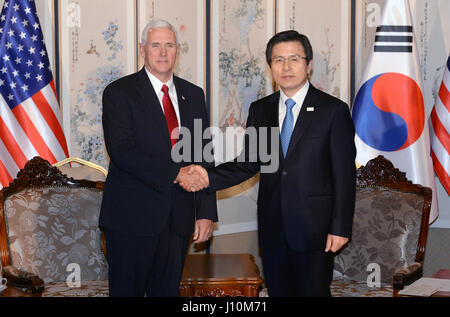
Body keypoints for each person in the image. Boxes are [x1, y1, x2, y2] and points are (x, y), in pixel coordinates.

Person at [178, 30, 356, 296]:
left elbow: (344, 175)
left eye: (294, 59)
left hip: (315, 229)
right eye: (278, 60)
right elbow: (249, 163)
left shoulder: (333, 110)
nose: (286, 67)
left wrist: (340, 227)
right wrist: (206, 175)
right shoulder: (261, 110)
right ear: (270, 66)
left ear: (308, 65)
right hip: (273, 227)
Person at [99, 19, 217, 297]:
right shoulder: (119, 93)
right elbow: (122, 151)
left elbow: (204, 156)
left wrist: (206, 213)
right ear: (142, 49)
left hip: (178, 219)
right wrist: (176, 173)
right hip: (131, 220)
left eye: (169, 45)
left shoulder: (194, 94)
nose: (163, 52)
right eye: (155, 45)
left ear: (177, 50)